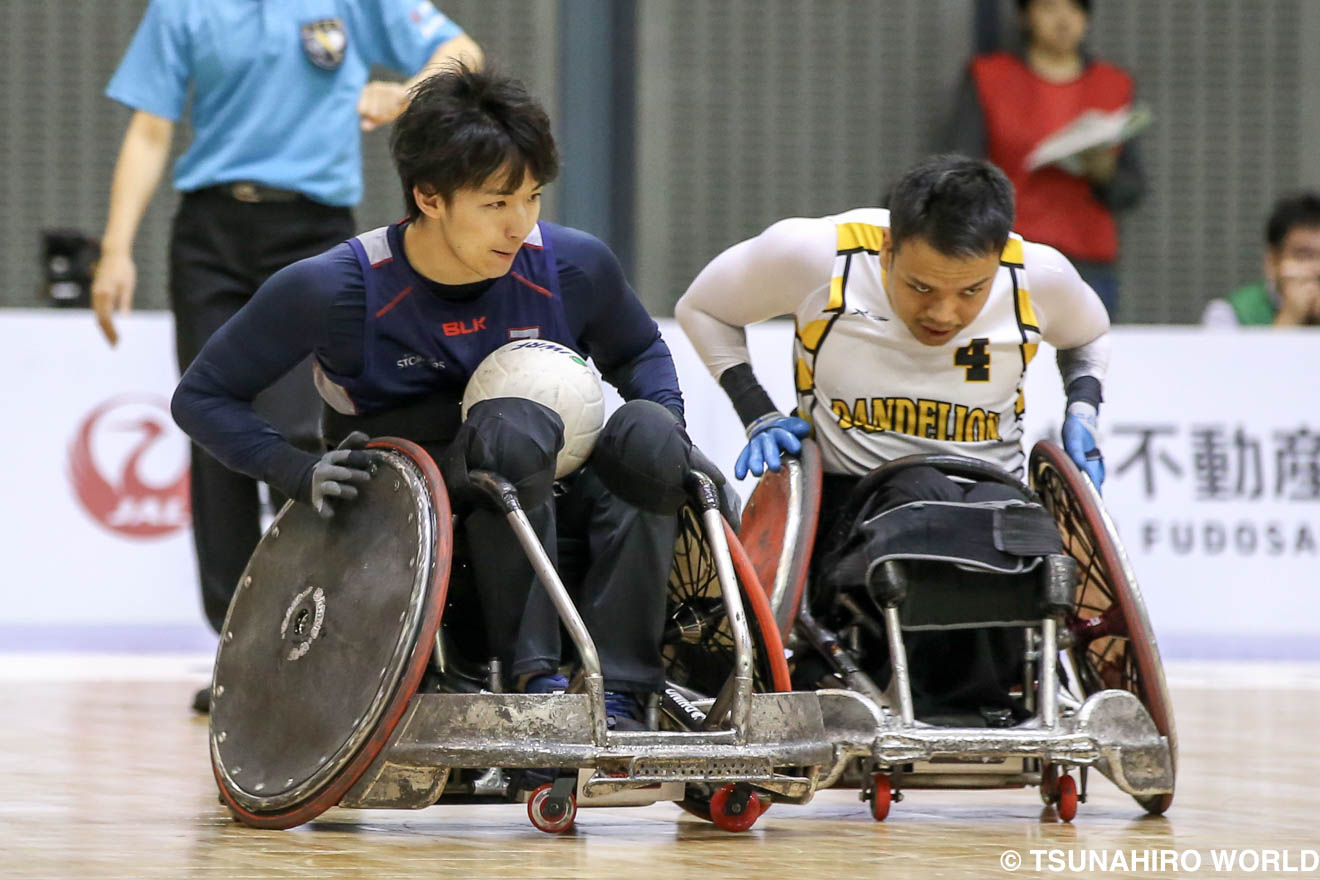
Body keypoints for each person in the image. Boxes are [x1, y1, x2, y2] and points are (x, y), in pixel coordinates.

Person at [172, 68, 706, 735]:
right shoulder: (338, 287)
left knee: (652, 436)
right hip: (412, 508)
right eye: (496, 203)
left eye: (533, 198)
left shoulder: (573, 266)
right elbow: (202, 397)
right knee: (510, 428)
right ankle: (532, 680)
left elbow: (642, 354)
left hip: (551, 479)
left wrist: (668, 418)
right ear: (429, 196)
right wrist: (296, 470)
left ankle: (626, 693)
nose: (521, 225)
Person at [90, 0, 482, 710]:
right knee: (216, 435)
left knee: (306, 432)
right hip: (212, 234)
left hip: (314, 234)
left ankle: (328, 641)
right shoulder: (183, 11)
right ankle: (241, 650)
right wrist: (116, 248)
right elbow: (150, 130)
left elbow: (463, 52)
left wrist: (407, 91)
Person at [675, 154, 1110, 717]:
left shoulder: (1038, 277)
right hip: (856, 500)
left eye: (971, 291)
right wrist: (756, 410)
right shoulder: (816, 256)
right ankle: (937, 698)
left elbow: (1090, 335)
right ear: (887, 250)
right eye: (921, 287)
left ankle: (974, 695)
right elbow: (704, 307)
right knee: (922, 494)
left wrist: (1084, 410)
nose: (945, 312)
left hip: (992, 488)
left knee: (1014, 523)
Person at [945, 0, 1144, 319]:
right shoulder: (989, 77)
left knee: (1086, 362)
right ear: (1026, 16)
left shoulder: (1114, 84)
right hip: (1009, 252)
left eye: (1074, 9)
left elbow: (1132, 188)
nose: (1063, 20)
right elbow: (961, 170)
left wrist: (1104, 173)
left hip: (1088, 259)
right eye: (1050, 8)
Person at [1202, 193, 1320, 328]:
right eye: (1303, 256)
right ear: (1272, 260)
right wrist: (1290, 317)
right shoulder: (1228, 314)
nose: (1317, 269)